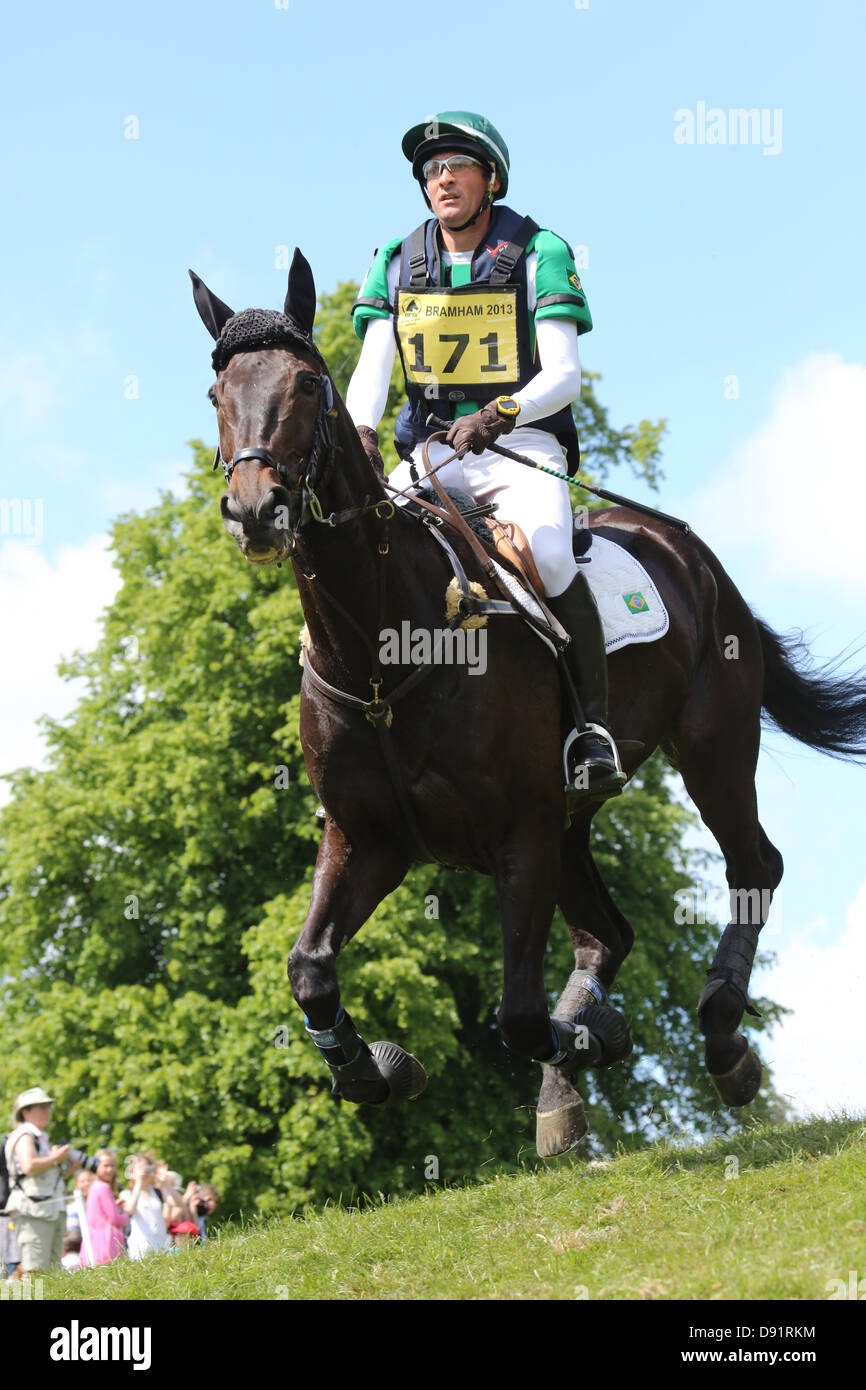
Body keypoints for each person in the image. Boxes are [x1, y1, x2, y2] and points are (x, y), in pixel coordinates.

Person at [346, 111, 623, 806]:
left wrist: (499, 413)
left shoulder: (540, 250)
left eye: (457, 167)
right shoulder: (395, 260)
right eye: (431, 171)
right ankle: (353, 740)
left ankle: (589, 729)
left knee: (553, 556)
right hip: (433, 454)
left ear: (490, 179)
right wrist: (360, 433)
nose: (442, 180)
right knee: (360, 558)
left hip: (520, 444)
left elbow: (563, 374)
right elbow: (374, 366)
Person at [2, 1087, 81, 1275]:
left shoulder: (40, 1137)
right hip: (33, 1212)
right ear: (25, 1112)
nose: (47, 1111)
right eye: (41, 1107)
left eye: (48, 1107)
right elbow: (29, 1166)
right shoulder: (24, 1135)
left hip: (48, 1210)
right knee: (36, 1273)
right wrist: (55, 1159)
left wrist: (66, 1170)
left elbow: (40, 1176)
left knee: (53, 1273)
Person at [117, 1154, 172, 1260]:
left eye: (148, 1168)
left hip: (161, 1246)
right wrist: (138, 1182)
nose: (145, 1172)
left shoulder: (158, 1192)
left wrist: (165, 1182)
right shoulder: (127, 1193)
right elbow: (129, 1210)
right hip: (139, 1248)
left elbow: (178, 1205)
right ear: (132, 1172)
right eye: (141, 1168)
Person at [82, 1150, 128, 1266]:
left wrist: (115, 1206)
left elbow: (101, 1214)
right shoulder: (103, 1187)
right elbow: (114, 1219)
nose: (110, 1169)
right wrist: (126, 1215)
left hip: (95, 1244)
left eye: (112, 1166)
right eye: (106, 1165)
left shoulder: (94, 1186)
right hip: (106, 1244)